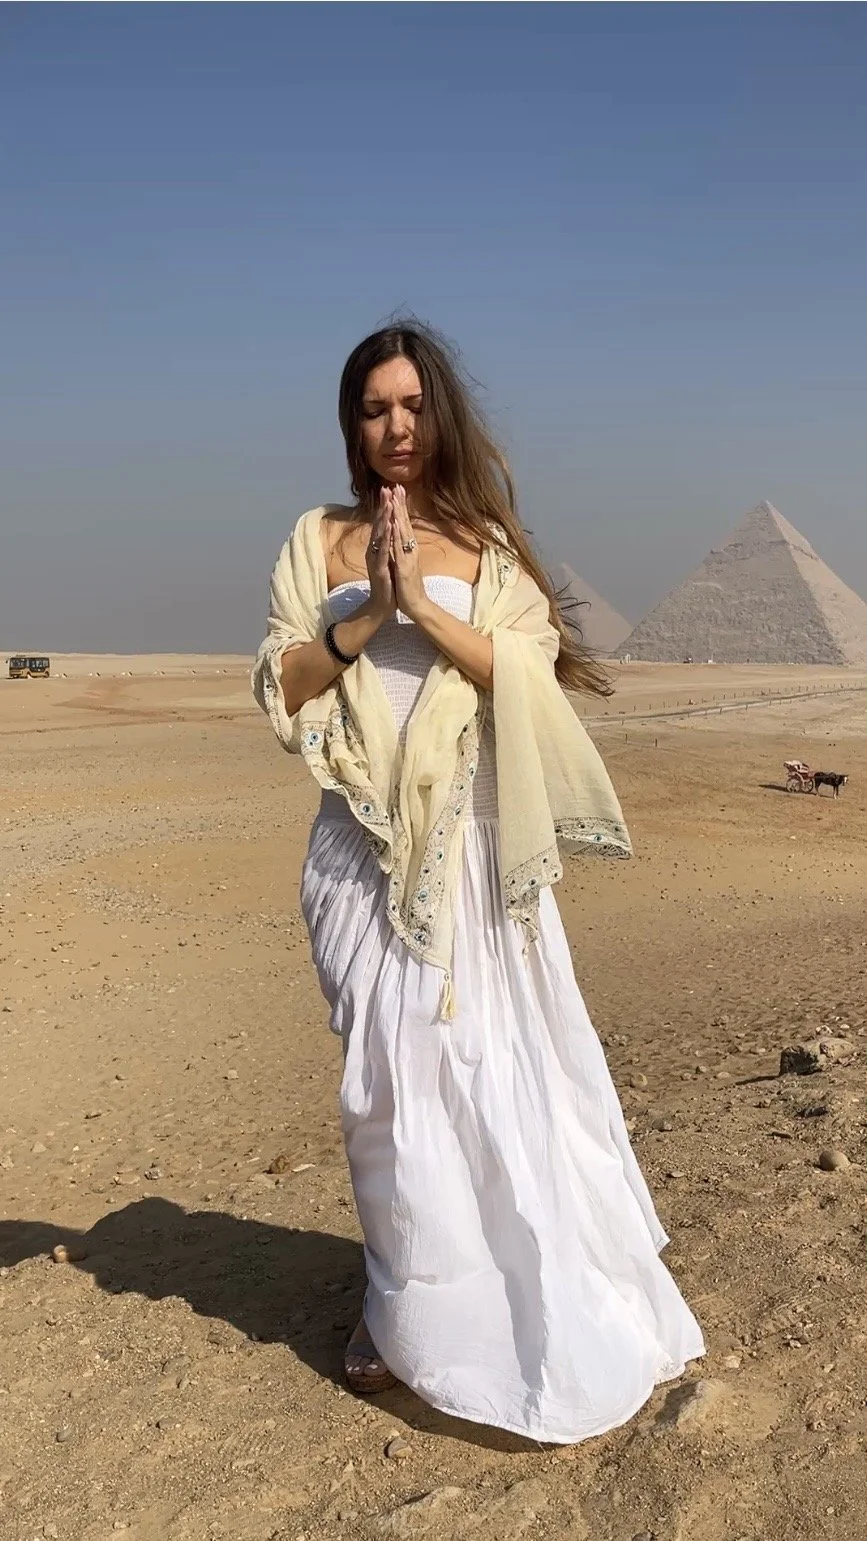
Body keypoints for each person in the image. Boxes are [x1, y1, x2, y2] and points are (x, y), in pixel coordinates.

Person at [252, 321, 704, 1444]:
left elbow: (532, 670)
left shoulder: (488, 544)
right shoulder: (316, 538)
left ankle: (473, 1303)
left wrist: (431, 608)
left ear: (437, 411)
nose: (395, 427)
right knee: (386, 1089)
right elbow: (281, 685)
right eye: (373, 408)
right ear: (351, 422)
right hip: (359, 851)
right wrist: (368, 615)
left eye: (411, 404)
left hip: (469, 851)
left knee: (483, 1072)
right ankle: (404, 1299)